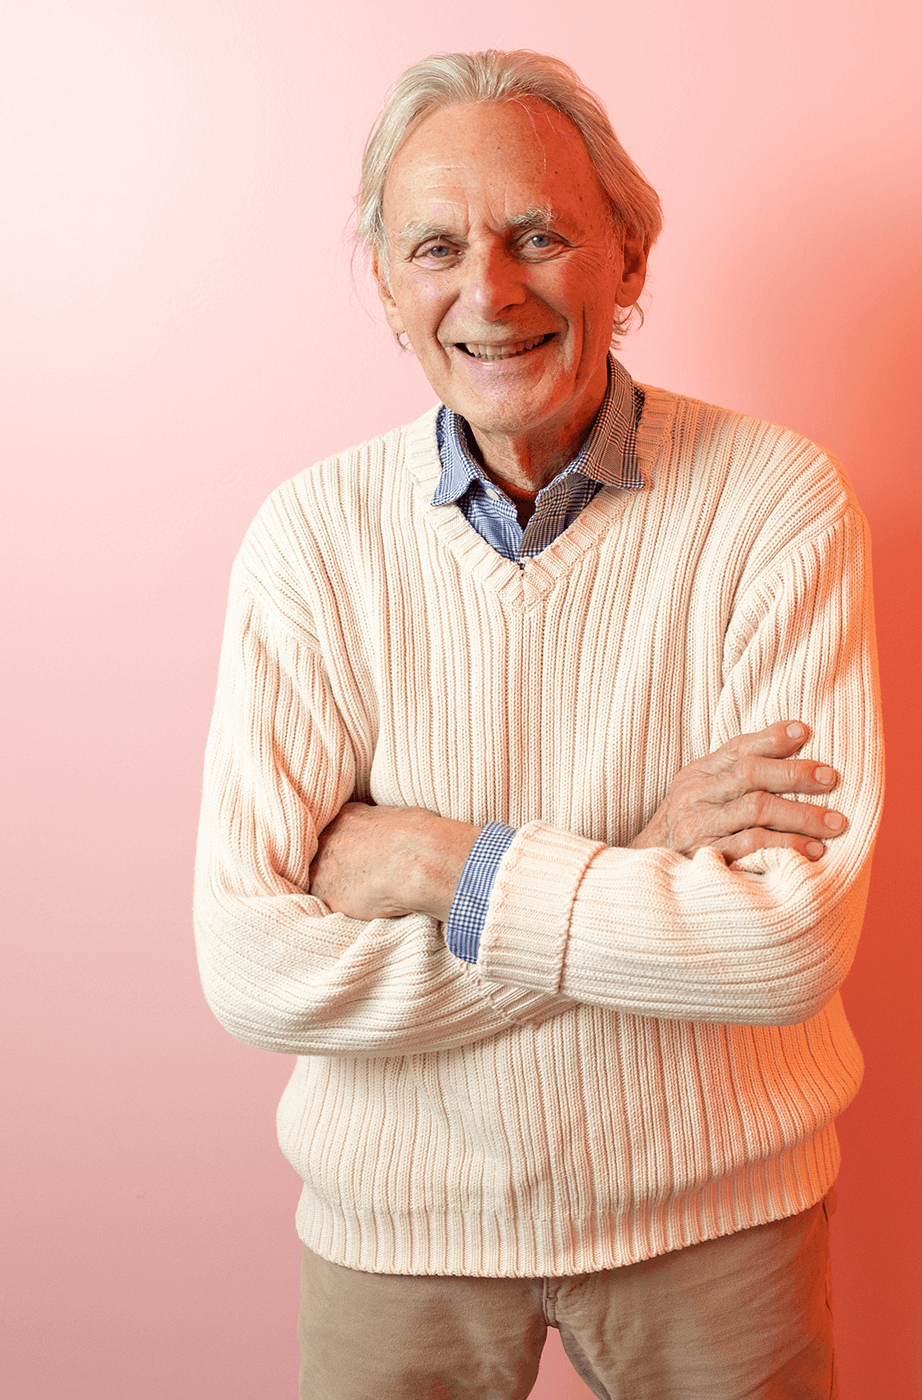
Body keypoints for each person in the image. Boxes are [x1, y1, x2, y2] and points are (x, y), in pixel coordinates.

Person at [194, 49, 882, 1400]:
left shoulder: (777, 503)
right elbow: (252, 968)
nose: (490, 292)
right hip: (397, 1228)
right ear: (388, 288)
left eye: (541, 236)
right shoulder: (310, 544)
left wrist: (443, 865)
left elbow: (785, 943)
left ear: (628, 260)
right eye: (436, 247)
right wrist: (641, 860)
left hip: (718, 1216)